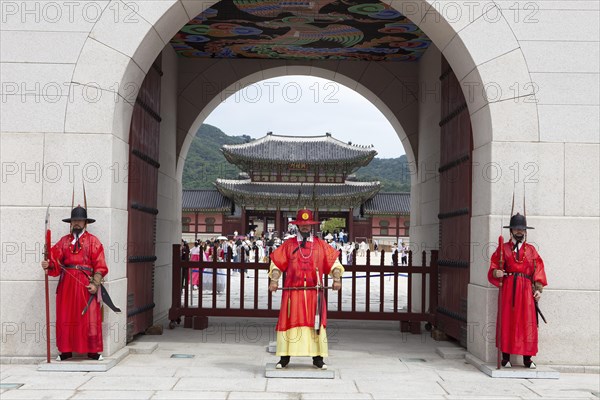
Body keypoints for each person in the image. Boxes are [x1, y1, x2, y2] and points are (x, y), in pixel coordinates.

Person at [268, 208, 343, 370]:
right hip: (292, 293)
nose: (305, 227)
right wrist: (274, 280)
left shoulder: (321, 245)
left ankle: (318, 358)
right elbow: (276, 264)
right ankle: (284, 357)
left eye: (308, 224)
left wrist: (336, 278)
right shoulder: (288, 245)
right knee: (289, 321)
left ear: (312, 226)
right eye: (302, 224)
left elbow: (334, 264)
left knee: (315, 323)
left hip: (314, 293)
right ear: (297, 226)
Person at [41, 205, 110, 361]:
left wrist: (95, 283)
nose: (77, 223)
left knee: (90, 317)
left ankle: (93, 351)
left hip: (86, 283)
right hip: (67, 285)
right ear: (70, 223)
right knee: (66, 316)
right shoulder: (64, 242)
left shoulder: (93, 241)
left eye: (80, 220)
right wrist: (48, 264)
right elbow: (55, 261)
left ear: (85, 223)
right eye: (74, 220)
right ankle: (65, 351)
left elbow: (100, 265)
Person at [488, 213, 548, 369]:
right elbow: (494, 265)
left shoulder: (532, 250)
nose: (519, 231)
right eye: (516, 228)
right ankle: (505, 358)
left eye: (522, 229)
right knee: (507, 321)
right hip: (509, 289)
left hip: (527, 290)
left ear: (525, 231)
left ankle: (527, 359)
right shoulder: (503, 249)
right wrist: (497, 273)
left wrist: (538, 288)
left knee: (527, 322)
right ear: (511, 230)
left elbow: (538, 269)